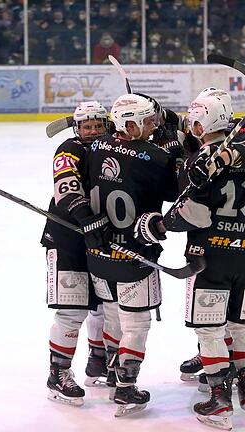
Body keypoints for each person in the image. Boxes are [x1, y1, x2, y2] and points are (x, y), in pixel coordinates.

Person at [159, 93, 245, 430]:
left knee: (210, 329)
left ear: (202, 122)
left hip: (211, 260)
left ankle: (220, 398)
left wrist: (163, 223)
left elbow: (197, 214)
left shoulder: (200, 162)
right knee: (242, 325)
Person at [79, 93, 180, 417]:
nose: (153, 125)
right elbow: (176, 193)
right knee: (136, 323)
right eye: (148, 121)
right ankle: (125, 386)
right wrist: (174, 152)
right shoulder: (154, 157)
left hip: (98, 252)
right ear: (131, 124)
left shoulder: (94, 147)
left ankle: (111, 369)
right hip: (135, 255)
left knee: (110, 313)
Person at [41, 101, 109, 407]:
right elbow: (66, 188)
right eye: (86, 126)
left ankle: (98, 360)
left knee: (103, 305)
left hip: (98, 237)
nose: (92, 131)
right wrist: (86, 217)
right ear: (77, 129)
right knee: (73, 310)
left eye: (98, 125)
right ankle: (59, 373)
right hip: (67, 237)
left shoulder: (111, 148)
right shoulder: (68, 149)